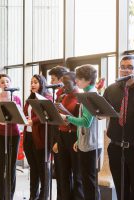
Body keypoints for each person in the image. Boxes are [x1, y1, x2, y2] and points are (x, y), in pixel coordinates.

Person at [103, 55, 134, 200]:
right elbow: (103, 112)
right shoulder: (111, 89)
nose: (125, 70)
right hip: (116, 147)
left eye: (130, 67)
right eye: (122, 67)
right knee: (122, 191)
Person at [60, 65, 103, 200]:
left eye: (79, 78)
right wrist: (78, 140)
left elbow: (85, 122)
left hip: (91, 144)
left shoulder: (90, 96)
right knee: (86, 181)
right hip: (86, 142)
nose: (76, 81)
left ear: (88, 80)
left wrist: (66, 118)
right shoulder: (86, 94)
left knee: (89, 182)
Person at [0, 74, 22, 200]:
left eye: (7, 81)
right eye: (2, 82)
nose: (5, 84)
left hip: (14, 135)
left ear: (11, 83)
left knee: (11, 166)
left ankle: (9, 196)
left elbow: (20, 116)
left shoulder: (16, 99)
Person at [23, 74, 52, 200]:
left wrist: (32, 121)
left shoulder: (47, 98)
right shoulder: (30, 98)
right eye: (31, 82)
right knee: (33, 168)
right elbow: (25, 114)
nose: (33, 84)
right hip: (28, 136)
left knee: (42, 170)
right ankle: (32, 196)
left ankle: (43, 196)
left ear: (42, 84)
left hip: (40, 137)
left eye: (35, 82)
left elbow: (45, 114)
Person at [56, 72, 84, 200]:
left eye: (67, 83)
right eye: (63, 82)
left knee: (77, 174)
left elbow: (82, 122)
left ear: (75, 82)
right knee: (64, 173)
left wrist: (67, 117)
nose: (64, 86)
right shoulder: (64, 97)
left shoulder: (81, 97)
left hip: (74, 137)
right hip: (62, 135)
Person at [48, 65, 68, 200]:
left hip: (62, 140)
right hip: (56, 138)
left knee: (64, 176)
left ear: (62, 79)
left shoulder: (65, 96)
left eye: (53, 79)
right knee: (60, 176)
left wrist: (57, 142)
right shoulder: (58, 95)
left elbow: (64, 122)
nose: (51, 83)